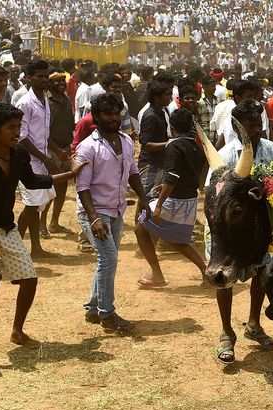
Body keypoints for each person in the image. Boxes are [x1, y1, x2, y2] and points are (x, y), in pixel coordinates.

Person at [0, 102, 83, 370]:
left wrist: (69, 174)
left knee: (30, 279)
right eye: (11, 128)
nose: (17, 132)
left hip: (6, 228)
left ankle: (17, 331)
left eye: (19, 126)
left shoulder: (19, 155)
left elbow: (34, 181)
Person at [206, 99, 273, 364]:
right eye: (251, 126)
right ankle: (226, 334)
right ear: (237, 127)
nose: (257, 130)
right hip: (228, 233)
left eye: (259, 124)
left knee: (261, 275)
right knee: (223, 277)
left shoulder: (270, 148)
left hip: (260, 230)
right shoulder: (226, 155)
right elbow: (212, 195)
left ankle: (253, 324)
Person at [75, 93, 149, 334]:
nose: (113, 118)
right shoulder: (87, 147)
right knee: (108, 259)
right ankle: (108, 315)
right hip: (95, 212)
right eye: (107, 114)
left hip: (117, 208)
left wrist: (144, 197)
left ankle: (93, 307)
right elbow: (82, 187)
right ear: (96, 117)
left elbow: (133, 171)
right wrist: (94, 217)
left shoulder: (127, 141)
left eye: (116, 113)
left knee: (107, 261)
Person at [135, 108, 207, 288]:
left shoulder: (173, 146)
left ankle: (156, 273)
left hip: (173, 202)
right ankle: (205, 271)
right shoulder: (197, 146)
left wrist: (159, 204)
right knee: (178, 241)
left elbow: (172, 177)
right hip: (189, 201)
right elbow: (189, 175)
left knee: (140, 228)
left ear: (172, 127)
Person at [15, 60, 60, 258]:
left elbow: (43, 133)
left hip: (42, 158)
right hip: (29, 161)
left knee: (35, 205)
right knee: (33, 205)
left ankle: (15, 246)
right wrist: (45, 158)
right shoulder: (25, 102)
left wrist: (56, 152)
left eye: (45, 76)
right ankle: (34, 248)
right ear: (29, 78)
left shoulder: (45, 99)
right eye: (39, 76)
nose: (44, 80)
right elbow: (22, 137)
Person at [46, 70, 75, 235]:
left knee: (62, 187)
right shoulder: (48, 103)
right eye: (56, 82)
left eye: (62, 81)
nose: (60, 84)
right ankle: (43, 225)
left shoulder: (65, 100)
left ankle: (54, 222)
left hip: (65, 148)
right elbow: (45, 132)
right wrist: (57, 150)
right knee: (50, 188)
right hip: (53, 150)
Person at [138, 80, 172, 196]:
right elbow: (146, 145)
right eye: (167, 95)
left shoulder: (161, 113)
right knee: (146, 199)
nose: (170, 98)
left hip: (159, 163)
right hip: (149, 165)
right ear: (157, 97)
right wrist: (170, 143)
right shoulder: (150, 116)